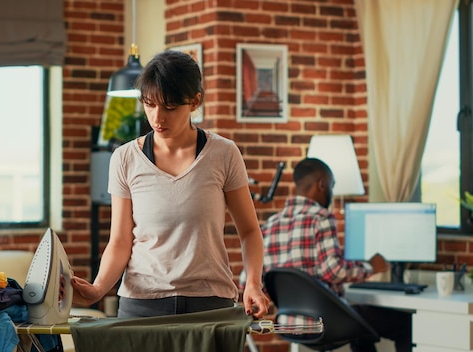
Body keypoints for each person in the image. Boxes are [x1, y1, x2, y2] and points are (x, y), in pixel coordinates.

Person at [71, 50, 271, 320]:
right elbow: (119, 241)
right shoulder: (125, 158)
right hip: (142, 304)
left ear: (194, 102)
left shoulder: (224, 153)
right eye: (150, 104)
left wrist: (253, 284)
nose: (157, 117)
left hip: (209, 303)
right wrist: (98, 289)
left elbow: (249, 231)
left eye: (169, 107)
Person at [262, 157, 412, 352]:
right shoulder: (321, 217)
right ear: (322, 184)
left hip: (287, 323)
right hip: (324, 322)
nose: (332, 192)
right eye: (332, 186)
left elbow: (253, 279)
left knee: (361, 325)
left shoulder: (270, 224)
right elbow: (334, 271)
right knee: (407, 324)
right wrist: (372, 267)